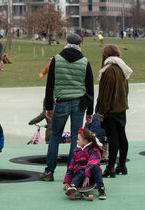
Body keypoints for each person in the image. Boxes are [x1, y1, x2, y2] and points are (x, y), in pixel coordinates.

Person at [39, 34, 94, 182]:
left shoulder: (56, 60)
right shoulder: (85, 62)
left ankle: (49, 171)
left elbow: (49, 85)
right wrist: (90, 111)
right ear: (80, 45)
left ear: (66, 43)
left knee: (55, 137)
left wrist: (49, 107)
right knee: (75, 138)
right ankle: (73, 172)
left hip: (62, 102)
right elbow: (90, 89)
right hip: (79, 104)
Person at [96, 45, 132, 178]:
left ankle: (110, 166)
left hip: (111, 109)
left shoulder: (109, 70)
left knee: (113, 138)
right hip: (121, 107)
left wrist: (101, 112)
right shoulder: (122, 68)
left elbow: (105, 94)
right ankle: (121, 164)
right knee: (122, 135)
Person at [62, 128, 106, 200]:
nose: (76, 141)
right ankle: (73, 186)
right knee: (80, 171)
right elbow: (71, 166)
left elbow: (92, 163)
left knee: (95, 167)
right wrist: (67, 181)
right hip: (80, 176)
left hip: (91, 176)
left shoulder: (94, 149)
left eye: (78, 139)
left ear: (85, 141)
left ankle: (101, 189)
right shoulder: (76, 151)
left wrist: (87, 176)